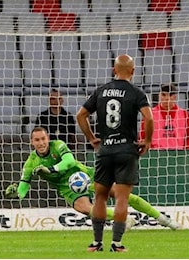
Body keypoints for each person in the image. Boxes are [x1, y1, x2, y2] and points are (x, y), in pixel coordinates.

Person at [4, 127, 178, 232]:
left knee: (121, 194)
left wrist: (50, 169)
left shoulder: (58, 145)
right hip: (67, 187)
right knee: (84, 208)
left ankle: (163, 219)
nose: (41, 143)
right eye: (37, 140)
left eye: (43, 139)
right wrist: (17, 194)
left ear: (48, 139)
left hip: (83, 174)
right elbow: (24, 185)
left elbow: (69, 161)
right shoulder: (30, 163)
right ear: (32, 142)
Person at [76, 54, 154, 252]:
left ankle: (96, 243)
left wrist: (92, 138)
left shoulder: (101, 91)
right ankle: (117, 244)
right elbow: (149, 118)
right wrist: (147, 141)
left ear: (114, 70)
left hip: (105, 150)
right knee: (121, 199)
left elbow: (81, 115)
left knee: (100, 197)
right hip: (127, 150)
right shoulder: (136, 93)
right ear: (133, 71)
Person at [140, 83, 189, 150]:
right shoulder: (150, 114)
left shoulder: (184, 114)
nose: (166, 98)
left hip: (179, 153)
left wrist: (187, 150)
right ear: (159, 96)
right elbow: (143, 135)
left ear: (175, 97)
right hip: (156, 153)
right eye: (163, 95)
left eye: (170, 95)